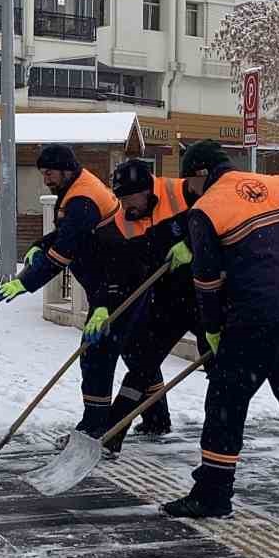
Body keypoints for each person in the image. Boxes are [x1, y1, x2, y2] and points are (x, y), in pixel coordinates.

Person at [160, 140, 279, 520]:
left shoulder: (206, 210)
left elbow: (206, 282)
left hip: (254, 320)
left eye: (188, 185)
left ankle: (213, 493)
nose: (189, 194)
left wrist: (210, 330)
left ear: (201, 174)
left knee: (226, 403)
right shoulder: (275, 184)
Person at [0, 144, 134, 436]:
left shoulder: (83, 199)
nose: (46, 179)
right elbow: (66, 232)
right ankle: (157, 420)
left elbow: (65, 251)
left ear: (66, 170)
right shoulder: (77, 191)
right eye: (44, 173)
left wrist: (26, 282)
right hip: (111, 281)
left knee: (96, 354)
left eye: (50, 173)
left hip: (120, 285)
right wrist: (39, 246)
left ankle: (93, 428)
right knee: (138, 353)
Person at [99, 158, 204, 454]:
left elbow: (214, 218)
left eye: (130, 198)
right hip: (168, 299)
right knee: (142, 363)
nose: (126, 206)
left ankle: (222, 432)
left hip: (205, 295)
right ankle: (112, 433)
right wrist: (104, 304)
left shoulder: (182, 191)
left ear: (146, 190)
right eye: (121, 199)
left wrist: (191, 243)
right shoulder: (125, 217)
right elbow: (127, 259)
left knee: (222, 369)